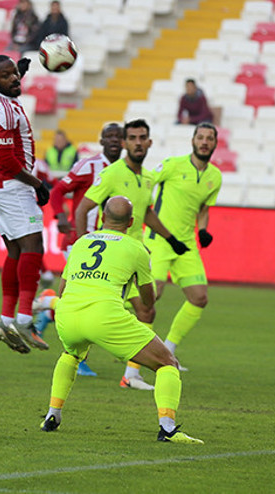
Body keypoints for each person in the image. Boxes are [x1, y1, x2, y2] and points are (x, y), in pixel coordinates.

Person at [39, 196, 203, 444]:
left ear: (103, 218)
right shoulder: (136, 248)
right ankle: (167, 429)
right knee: (168, 363)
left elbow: (63, 289)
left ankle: (52, 415)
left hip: (67, 315)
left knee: (71, 354)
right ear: (132, 222)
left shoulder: (82, 242)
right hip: (104, 316)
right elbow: (148, 301)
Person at [70, 119, 190, 387]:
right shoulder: (112, 173)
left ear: (149, 142)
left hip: (134, 258)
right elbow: (82, 208)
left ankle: (131, 374)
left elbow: (146, 211)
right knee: (134, 309)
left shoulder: (148, 178)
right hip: (112, 258)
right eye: (133, 137)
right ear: (125, 143)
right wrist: (82, 244)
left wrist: (170, 239)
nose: (138, 142)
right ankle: (50, 307)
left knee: (146, 310)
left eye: (142, 137)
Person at [35, 122, 122, 376]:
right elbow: (58, 191)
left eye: (120, 136)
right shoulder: (89, 165)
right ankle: (77, 357)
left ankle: (47, 306)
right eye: (110, 136)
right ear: (102, 140)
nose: (115, 140)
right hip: (79, 241)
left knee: (81, 300)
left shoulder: (128, 171)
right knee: (85, 301)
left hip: (109, 246)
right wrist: (61, 217)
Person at [0, 54, 52, 353]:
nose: (14, 79)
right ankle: (25, 318)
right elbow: (10, 161)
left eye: (15, 73)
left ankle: (5, 319)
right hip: (12, 185)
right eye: (7, 75)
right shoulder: (3, 113)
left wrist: (18, 71)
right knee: (34, 246)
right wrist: (38, 185)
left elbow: (9, 83)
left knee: (15, 250)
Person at [144, 123, 222, 368]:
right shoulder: (173, 165)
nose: (205, 142)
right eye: (201, 137)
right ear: (193, 140)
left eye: (210, 138)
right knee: (150, 298)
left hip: (186, 245)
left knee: (199, 298)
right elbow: (145, 182)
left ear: (215, 144)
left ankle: (169, 350)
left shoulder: (215, 177)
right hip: (160, 241)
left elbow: (203, 209)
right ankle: (131, 363)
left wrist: (204, 230)